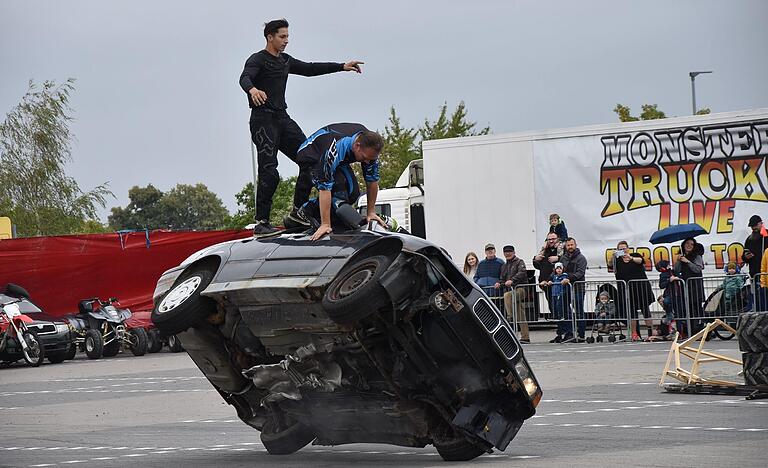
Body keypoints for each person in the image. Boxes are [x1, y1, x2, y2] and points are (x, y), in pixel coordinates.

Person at [239, 18, 364, 236]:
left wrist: (341, 66)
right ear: (270, 37)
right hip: (263, 121)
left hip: (282, 118)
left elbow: (310, 68)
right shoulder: (258, 59)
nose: (286, 41)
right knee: (269, 171)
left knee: (310, 158)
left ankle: (299, 211)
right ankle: (261, 222)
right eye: (282, 36)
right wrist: (252, 90)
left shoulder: (285, 61)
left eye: (287, 36)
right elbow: (244, 77)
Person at [292, 123, 384, 241]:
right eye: (364, 157)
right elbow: (325, 187)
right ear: (357, 146)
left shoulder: (369, 147)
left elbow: (372, 181)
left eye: (371, 159)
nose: (367, 162)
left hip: (339, 160)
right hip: (311, 155)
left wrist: (371, 212)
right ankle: (305, 210)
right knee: (339, 194)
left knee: (353, 194)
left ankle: (331, 217)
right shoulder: (334, 148)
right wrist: (325, 224)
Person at [612, 241, 655, 341]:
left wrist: (630, 258)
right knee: (632, 312)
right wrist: (613, 256)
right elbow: (611, 265)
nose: (623, 251)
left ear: (628, 248)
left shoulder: (635, 255)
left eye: (624, 248)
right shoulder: (617, 260)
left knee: (645, 310)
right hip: (627, 290)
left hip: (641, 288)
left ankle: (650, 332)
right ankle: (634, 333)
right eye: (620, 249)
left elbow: (641, 260)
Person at [497, 245, 530, 343]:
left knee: (507, 296)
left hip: (521, 289)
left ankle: (510, 317)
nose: (508, 253)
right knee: (520, 313)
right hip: (511, 290)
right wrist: (499, 283)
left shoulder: (520, 262)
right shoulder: (504, 266)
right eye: (506, 252)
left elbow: (522, 273)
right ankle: (525, 337)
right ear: (503, 253)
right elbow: (502, 279)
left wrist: (512, 280)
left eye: (510, 251)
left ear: (514, 252)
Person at [674, 237, 705, 333]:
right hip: (685, 286)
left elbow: (698, 269)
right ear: (683, 245)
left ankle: (698, 328)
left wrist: (687, 261)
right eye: (687, 243)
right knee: (687, 308)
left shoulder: (697, 256)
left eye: (692, 244)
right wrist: (679, 260)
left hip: (696, 286)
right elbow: (676, 271)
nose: (689, 246)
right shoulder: (681, 256)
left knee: (696, 307)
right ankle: (689, 330)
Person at [561, 237, 587, 342]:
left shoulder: (581, 258)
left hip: (578, 288)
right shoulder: (563, 258)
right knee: (566, 311)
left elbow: (580, 273)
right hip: (565, 288)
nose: (570, 247)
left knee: (579, 311)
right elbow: (559, 271)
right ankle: (569, 333)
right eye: (568, 245)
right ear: (565, 246)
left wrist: (569, 278)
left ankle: (581, 334)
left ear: (575, 245)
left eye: (572, 245)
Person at [533, 233, 563, 315]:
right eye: (549, 239)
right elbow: (537, 266)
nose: (551, 241)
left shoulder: (562, 249)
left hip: (558, 283)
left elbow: (567, 261)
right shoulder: (544, 250)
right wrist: (535, 259)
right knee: (551, 305)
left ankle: (565, 326)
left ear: (558, 239)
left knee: (561, 306)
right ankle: (558, 325)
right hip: (546, 283)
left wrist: (558, 258)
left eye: (553, 238)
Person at [743, 215, 767, 310]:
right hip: (755, 273)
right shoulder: (749, 239)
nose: (753, 228)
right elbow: (744, 254)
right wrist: (746, 257)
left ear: (761, 224)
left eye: (755, 226)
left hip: (765, 273)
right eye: (752, 227)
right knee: (759, 300)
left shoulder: (767, 236)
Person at [657, 259, 685, 338]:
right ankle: (669, 314)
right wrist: (669, 280)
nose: (669, 266)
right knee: (666, 301)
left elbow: (680, 276)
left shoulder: (673, 271)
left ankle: (680, 333)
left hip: (677, 295)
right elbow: (661, 285)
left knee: (679, 314)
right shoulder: (662, 275)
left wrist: (677, 277)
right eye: (667, 265)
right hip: (669, 294)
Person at [547, 262, 570, 343]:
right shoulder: (553, 276)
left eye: (560, 268)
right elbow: (549, 280)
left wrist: (565, 280)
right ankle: (559, 332)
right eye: (557, 268)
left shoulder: (564, 276)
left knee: (561, 308)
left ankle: (567, 331)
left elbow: (566, 279)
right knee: (555, 307)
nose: (559, 270)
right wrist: (549, 282)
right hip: (554, 295)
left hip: (561, 294)